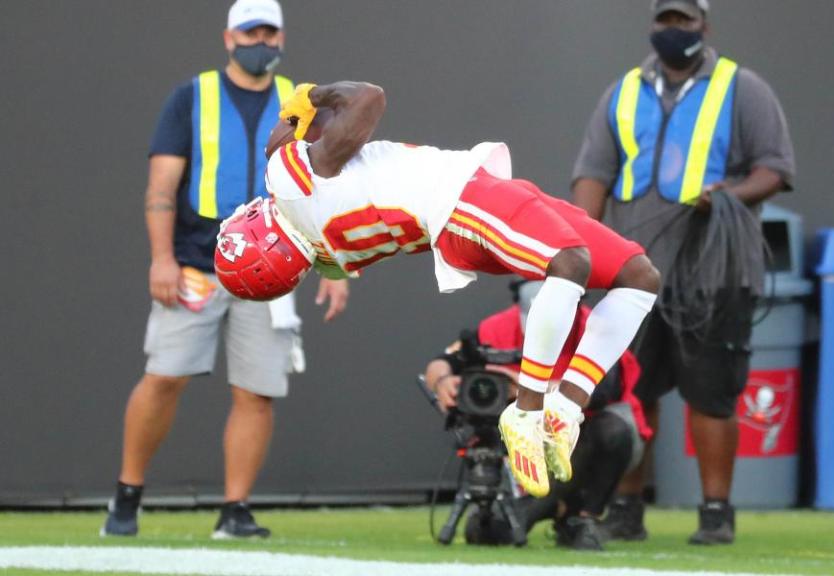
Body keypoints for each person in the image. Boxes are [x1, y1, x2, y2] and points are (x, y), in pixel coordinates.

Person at [215, 79, 662, 500]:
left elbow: (330, 154)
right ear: (258, 236)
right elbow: (368, 99)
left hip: (463, 209)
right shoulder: (289, 185)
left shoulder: (329, 258)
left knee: (637, 276)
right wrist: (315, 95)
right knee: (569, 263)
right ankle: (527, 411)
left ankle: (565, 408)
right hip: (458, 201)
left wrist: (298, 125)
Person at [101, 0, 348, 539]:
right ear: (229, 37)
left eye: (269, 31)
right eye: (250, 30)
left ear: (282, 39)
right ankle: (127, 494)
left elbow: (326, 190)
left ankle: (235, 510)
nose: (260, 40)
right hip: (196, 264)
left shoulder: (300, 104)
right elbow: (162, 186)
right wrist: (161, 258)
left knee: (256, 391)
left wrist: (337, 269)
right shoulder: (192, 96)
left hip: (274, 272)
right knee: (164, 376)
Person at [571, 0, 795, 545]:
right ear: (653, 27)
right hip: (634, 272)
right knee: (627, 392)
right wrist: (579, 245)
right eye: (665, 21)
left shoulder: (742, 88)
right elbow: (593, 174)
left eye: (685, 22)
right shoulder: (622, 91)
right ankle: (624, 506)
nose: (674, 31)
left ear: (704, 27)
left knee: (710, 395)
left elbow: (776, 169)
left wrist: (726, 195)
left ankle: (715, 512)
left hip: (713, 271)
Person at [423, 280, 652, 550]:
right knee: (488, 532)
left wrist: (520, 385)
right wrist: (443, 382)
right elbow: (442, 362)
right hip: (522, 444)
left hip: (583, 437)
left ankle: (583, 517)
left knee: (613, 430)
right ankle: (553, 508)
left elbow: (600, 393)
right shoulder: (495, 328)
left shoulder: (598, 332)